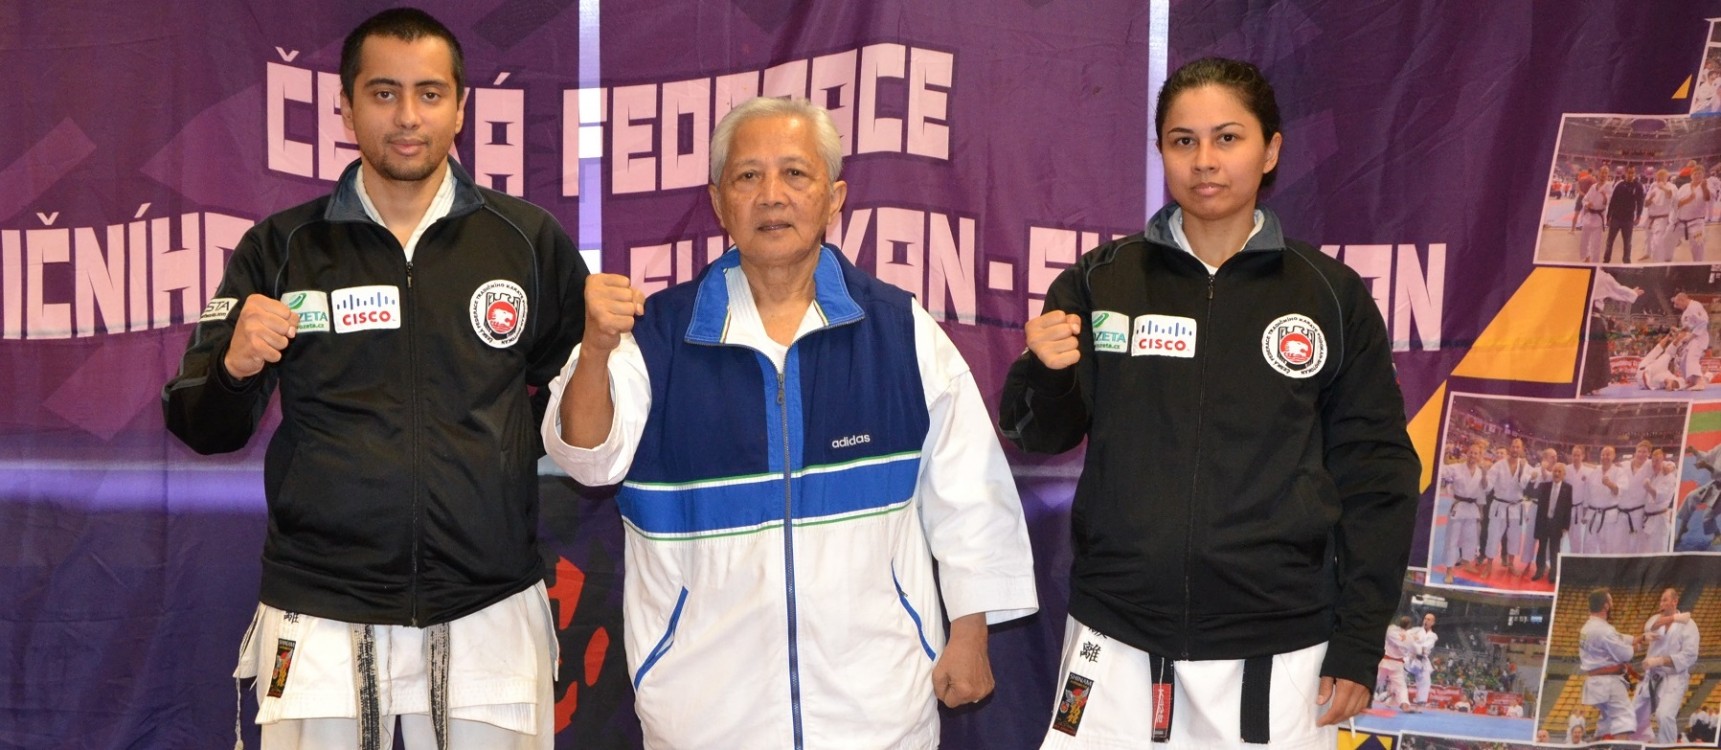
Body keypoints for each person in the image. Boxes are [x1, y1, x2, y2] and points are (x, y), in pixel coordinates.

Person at [540, 96, 1038, 749]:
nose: (771, 195)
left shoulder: (899, 329)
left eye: (795, 174)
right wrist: (596, 350)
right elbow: (586, 457)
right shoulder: (654, 337)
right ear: (718, 203)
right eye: (747, 176)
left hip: (877, 712)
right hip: (705, 718)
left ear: (834, 199)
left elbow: (970, 493)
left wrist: (969, 634)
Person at [161, 9, 588, 749]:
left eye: (429, 93)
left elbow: (583, 415)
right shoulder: (283, 247)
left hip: (486, 606)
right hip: (319, 610)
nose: (407, 116)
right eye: (384, 93)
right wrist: (232, 366)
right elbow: (200, 425)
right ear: (347, 106)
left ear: (461, 107)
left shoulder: (525, 240)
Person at [1000, 57, 1419, 748]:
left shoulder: (1329, 296)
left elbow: (1377, 476)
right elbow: (1040, 434)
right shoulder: (1102, 281)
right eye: (1182, 140)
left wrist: (1358, 639)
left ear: (1270, 150)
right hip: (1115, 634)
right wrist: (1044, 372)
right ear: (1161, 151)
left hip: (1279, 647)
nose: (1204, 160)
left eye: (1227, 138)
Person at [1633, 588, 1700, 743]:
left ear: (1675, 601)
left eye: (1665, 600)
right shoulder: (1655, 619)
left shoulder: (1689, 626)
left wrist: (1660, 660)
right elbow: (1650, 627)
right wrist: (1674, 618)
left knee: (1664, 715)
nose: (1661, 604)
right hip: (1652, 676)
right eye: (1661, 600)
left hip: (1674, 678)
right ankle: (1636, 744)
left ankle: (1668, 746)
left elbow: (1690, 656)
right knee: (1633, 714)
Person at [1578, 589, 1642, 740]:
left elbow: (1616, 637)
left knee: (1607, 721)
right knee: (1624, 719)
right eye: (1611, 601)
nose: (1613, 604)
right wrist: (1635, 647)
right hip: (1608, 682)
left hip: (1596, 682)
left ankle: (1598, 744)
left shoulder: (1587, 627)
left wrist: (1635, 638)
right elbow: (1625, 654)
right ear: (1606, 606)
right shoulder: (1604, 630)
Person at [1482, 439, 1533, 578]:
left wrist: (1525, 471)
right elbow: (1488, 485)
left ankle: (1511, 565)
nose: (1515, 449)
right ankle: (1488, 566)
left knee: (1514, 537)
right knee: (1493, 536)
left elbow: (1526, 484)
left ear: (1522, 449)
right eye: (1513, 446)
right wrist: (1484, 477)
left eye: (1518, 447)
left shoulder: (1525, 466)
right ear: (1510, 447)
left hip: (1516, 507)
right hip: (1499, 506)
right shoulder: (1499, 465)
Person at [1440, 441, 1490, 581]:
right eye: (1471, 452)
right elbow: (1442, 470)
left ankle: (1467, 562)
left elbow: (1484, 489)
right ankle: (1449, 570)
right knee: (1452, 539)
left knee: (1470, 539)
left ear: (1480, 456)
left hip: (1472, 509)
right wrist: (1444, 453)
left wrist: (1481, 510)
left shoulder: (1480, 472)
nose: (1473, 455)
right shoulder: (1457, 468)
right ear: (1467, 453)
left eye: (1476, 453)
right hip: (1459, 506)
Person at [1530, 459, 1573, 581]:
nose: (1557, 474)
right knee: (1541, 548)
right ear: (1552, 472)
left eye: (1559, 471)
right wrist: (1538, 524)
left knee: (1555, 549)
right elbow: (1540, 508)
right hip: (1544, 522)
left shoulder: (1568, 488)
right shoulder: (1544, 486)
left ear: (1564, 474)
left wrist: (1566, 526)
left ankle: (1553, 573)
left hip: (1557, 524)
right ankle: (1539, 570)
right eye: (1555, 471)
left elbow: (1568, 508)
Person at [1604, 165, 1645, 263]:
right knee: (1609, 241)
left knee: (1627, 243)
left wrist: (1638, 216)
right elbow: (1613, 201)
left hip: (1628, 219)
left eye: (1632, 173)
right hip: (1616, 217)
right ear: (1625, 173)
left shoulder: (1638, 186)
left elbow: (1640, 203)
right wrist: (1608, 217)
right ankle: (1606, 260)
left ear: (1634, 173)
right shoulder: (1619, 185)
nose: (1630, 174)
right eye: (1629, 172)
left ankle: (1626, 261)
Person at [1673, 291, 1711, 390]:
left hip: (1699, 337)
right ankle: (1691, 381)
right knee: (1683, 360)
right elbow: (1688, 326)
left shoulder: (1695, 306)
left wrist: (1691, 336)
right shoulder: (1686, 311)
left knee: (1692, 357)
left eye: (1677, 304)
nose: (1676, 306)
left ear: (1682, 300)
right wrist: (1679, 330)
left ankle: (1700, 382)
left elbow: (1704, 321)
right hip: (1691, 338)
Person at [1375, 615, 1414, 712]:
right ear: (1409, 625)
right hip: (1397, 664)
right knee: (1401, 685)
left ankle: (1362, 699)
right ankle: (1404, 704)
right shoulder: (1410, 637)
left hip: (1385, 661)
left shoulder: (1391, 630)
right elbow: (1409, 649)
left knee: (1374, 680)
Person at [1640, 453, 1677, 553]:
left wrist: (1649, 488)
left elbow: (1661, 497)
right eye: (1653, 461)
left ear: (1663, 462)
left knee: (1659, 550)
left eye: (1657, 461)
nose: (1654, 463)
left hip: (1659, 520)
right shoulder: (1652, 475)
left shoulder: (1669, 476)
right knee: (1647, 551)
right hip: (1648, 520)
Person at [1579, 166, 1611, 263]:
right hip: (1588, 216)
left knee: (1596, 244)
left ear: (1608, 175)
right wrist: (1587, 204)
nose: (1603, 175)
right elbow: (1584, 199)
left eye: (1605, 173)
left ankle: (1594, 263)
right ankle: (1586, 257)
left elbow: (1607, 202)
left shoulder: (1608, 187)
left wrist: (1604, 196)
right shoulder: (1593, 187)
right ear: (1598, 173)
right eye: (1602, 172)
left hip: (1598, 218)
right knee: (1584, 240)